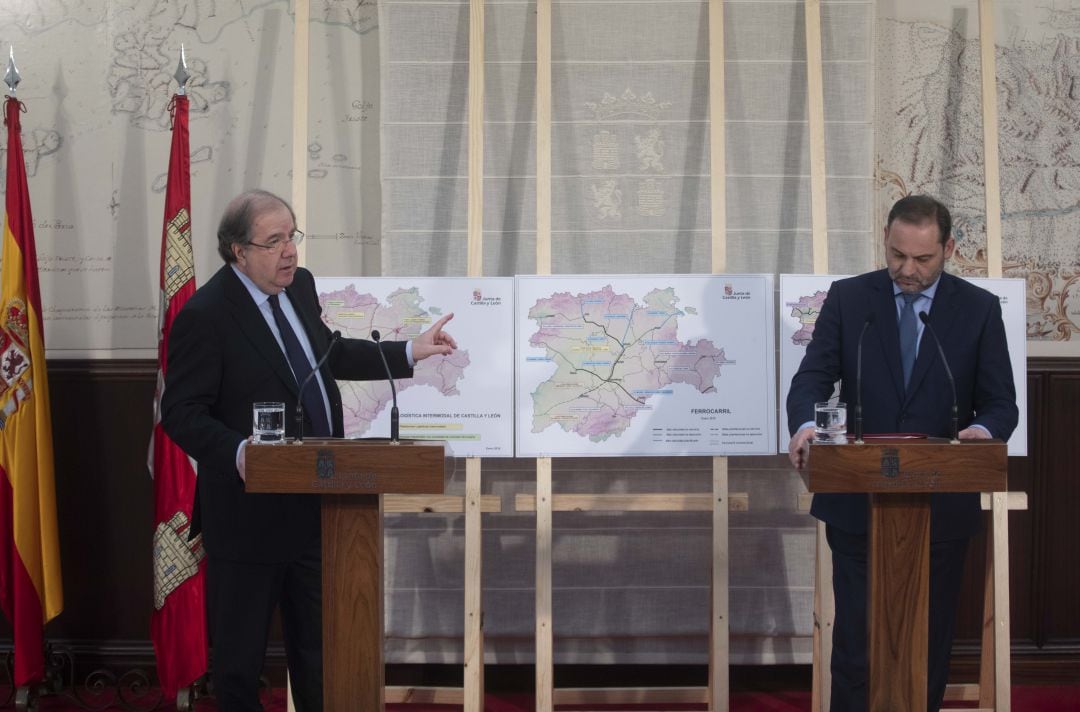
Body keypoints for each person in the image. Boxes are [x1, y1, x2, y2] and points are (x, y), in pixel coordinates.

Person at [160, 189, 456, 711]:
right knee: (240, 665)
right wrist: (238, 452)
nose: (289, 252)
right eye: (273, 241)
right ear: (238, 251)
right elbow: (181, 413)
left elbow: (330, 353)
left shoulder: (300, 288)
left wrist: (411, 350)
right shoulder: (205, 315)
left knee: (320, 657)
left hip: (319, 510)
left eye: (291, 236)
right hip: (247, 518)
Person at [786, 194, 1018, 712]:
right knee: (855, 648)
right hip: (857, 501)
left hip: (942, 505)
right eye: (896, 255)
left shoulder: (977, 309)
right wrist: (805, 425)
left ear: (949, 248)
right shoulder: (850, 300)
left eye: (922, 259)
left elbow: (1000, 401)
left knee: (927, 646)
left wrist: (981, 431)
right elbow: (813, 379)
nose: (906, 270)